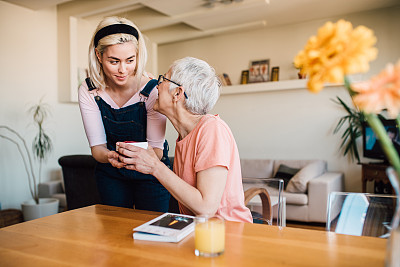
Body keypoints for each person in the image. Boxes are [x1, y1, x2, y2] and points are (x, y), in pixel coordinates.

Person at [114, 57, 253, 223]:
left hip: (228, 236)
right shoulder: (185, 136)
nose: (157, 85)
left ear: (178, 93)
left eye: (163, 79)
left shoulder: (212, 129)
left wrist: (154, 166)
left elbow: (206, 208)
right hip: (198, 233)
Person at [78, 16, 171, 212]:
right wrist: (110, 156)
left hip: (151, 171)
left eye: (130, 60)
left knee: (153, 233)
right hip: (111, 172)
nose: (123, 70)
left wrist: (125, 157)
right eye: (114, 61)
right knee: (114, 234)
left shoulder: (152, 90)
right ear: (98, 55)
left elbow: (157, 150)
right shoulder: (89, 91)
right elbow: (98, 149)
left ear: (138, 56)